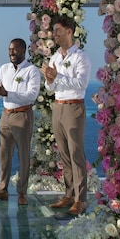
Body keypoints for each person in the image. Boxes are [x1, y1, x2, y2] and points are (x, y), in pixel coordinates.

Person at [41, 15, 92, 215]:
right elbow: (51, 88)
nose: (55, 35)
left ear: (69, 32)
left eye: (58, 31)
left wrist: (57, 76)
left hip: (74, 108)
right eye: (54, 31)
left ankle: (81, 199)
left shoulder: (80, 57)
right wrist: (49, 79)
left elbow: (81, 84)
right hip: (58, 107)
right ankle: (69, 194)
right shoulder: (55, 57)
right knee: (64, 153)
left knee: (76, 153)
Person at [0, 38, 41, 206]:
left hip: (22, 115)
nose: (11, 53)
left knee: (23, 154)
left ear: (23, 50)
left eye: (15, 49)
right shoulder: (4, 69)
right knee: (3, 154)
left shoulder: (32, 70)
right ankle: (2, 189)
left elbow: (31, 96)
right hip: (5, 115)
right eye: (9, 49)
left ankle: (22, 192)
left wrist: (6, 93)